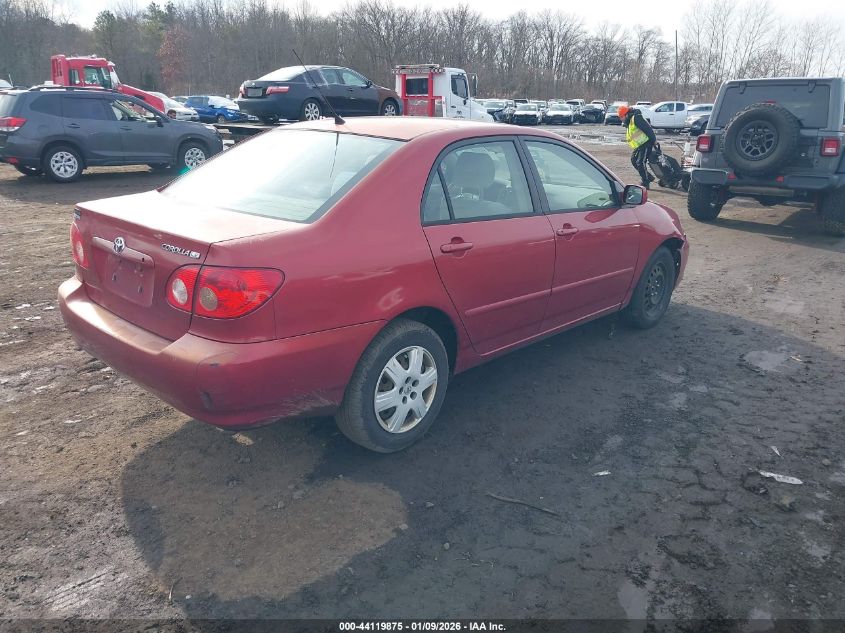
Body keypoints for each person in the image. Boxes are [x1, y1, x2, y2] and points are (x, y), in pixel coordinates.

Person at [619, 105, 656, 188]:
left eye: (621, 117)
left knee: (640, 163)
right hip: (639, 145)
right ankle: (648, 177)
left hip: (646, 143)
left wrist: (654, 140)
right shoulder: (629, 121)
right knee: (634, 160)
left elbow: (648, 129)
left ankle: (645, 182)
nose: (620, 119)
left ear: (626, 115)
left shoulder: (636, 118)